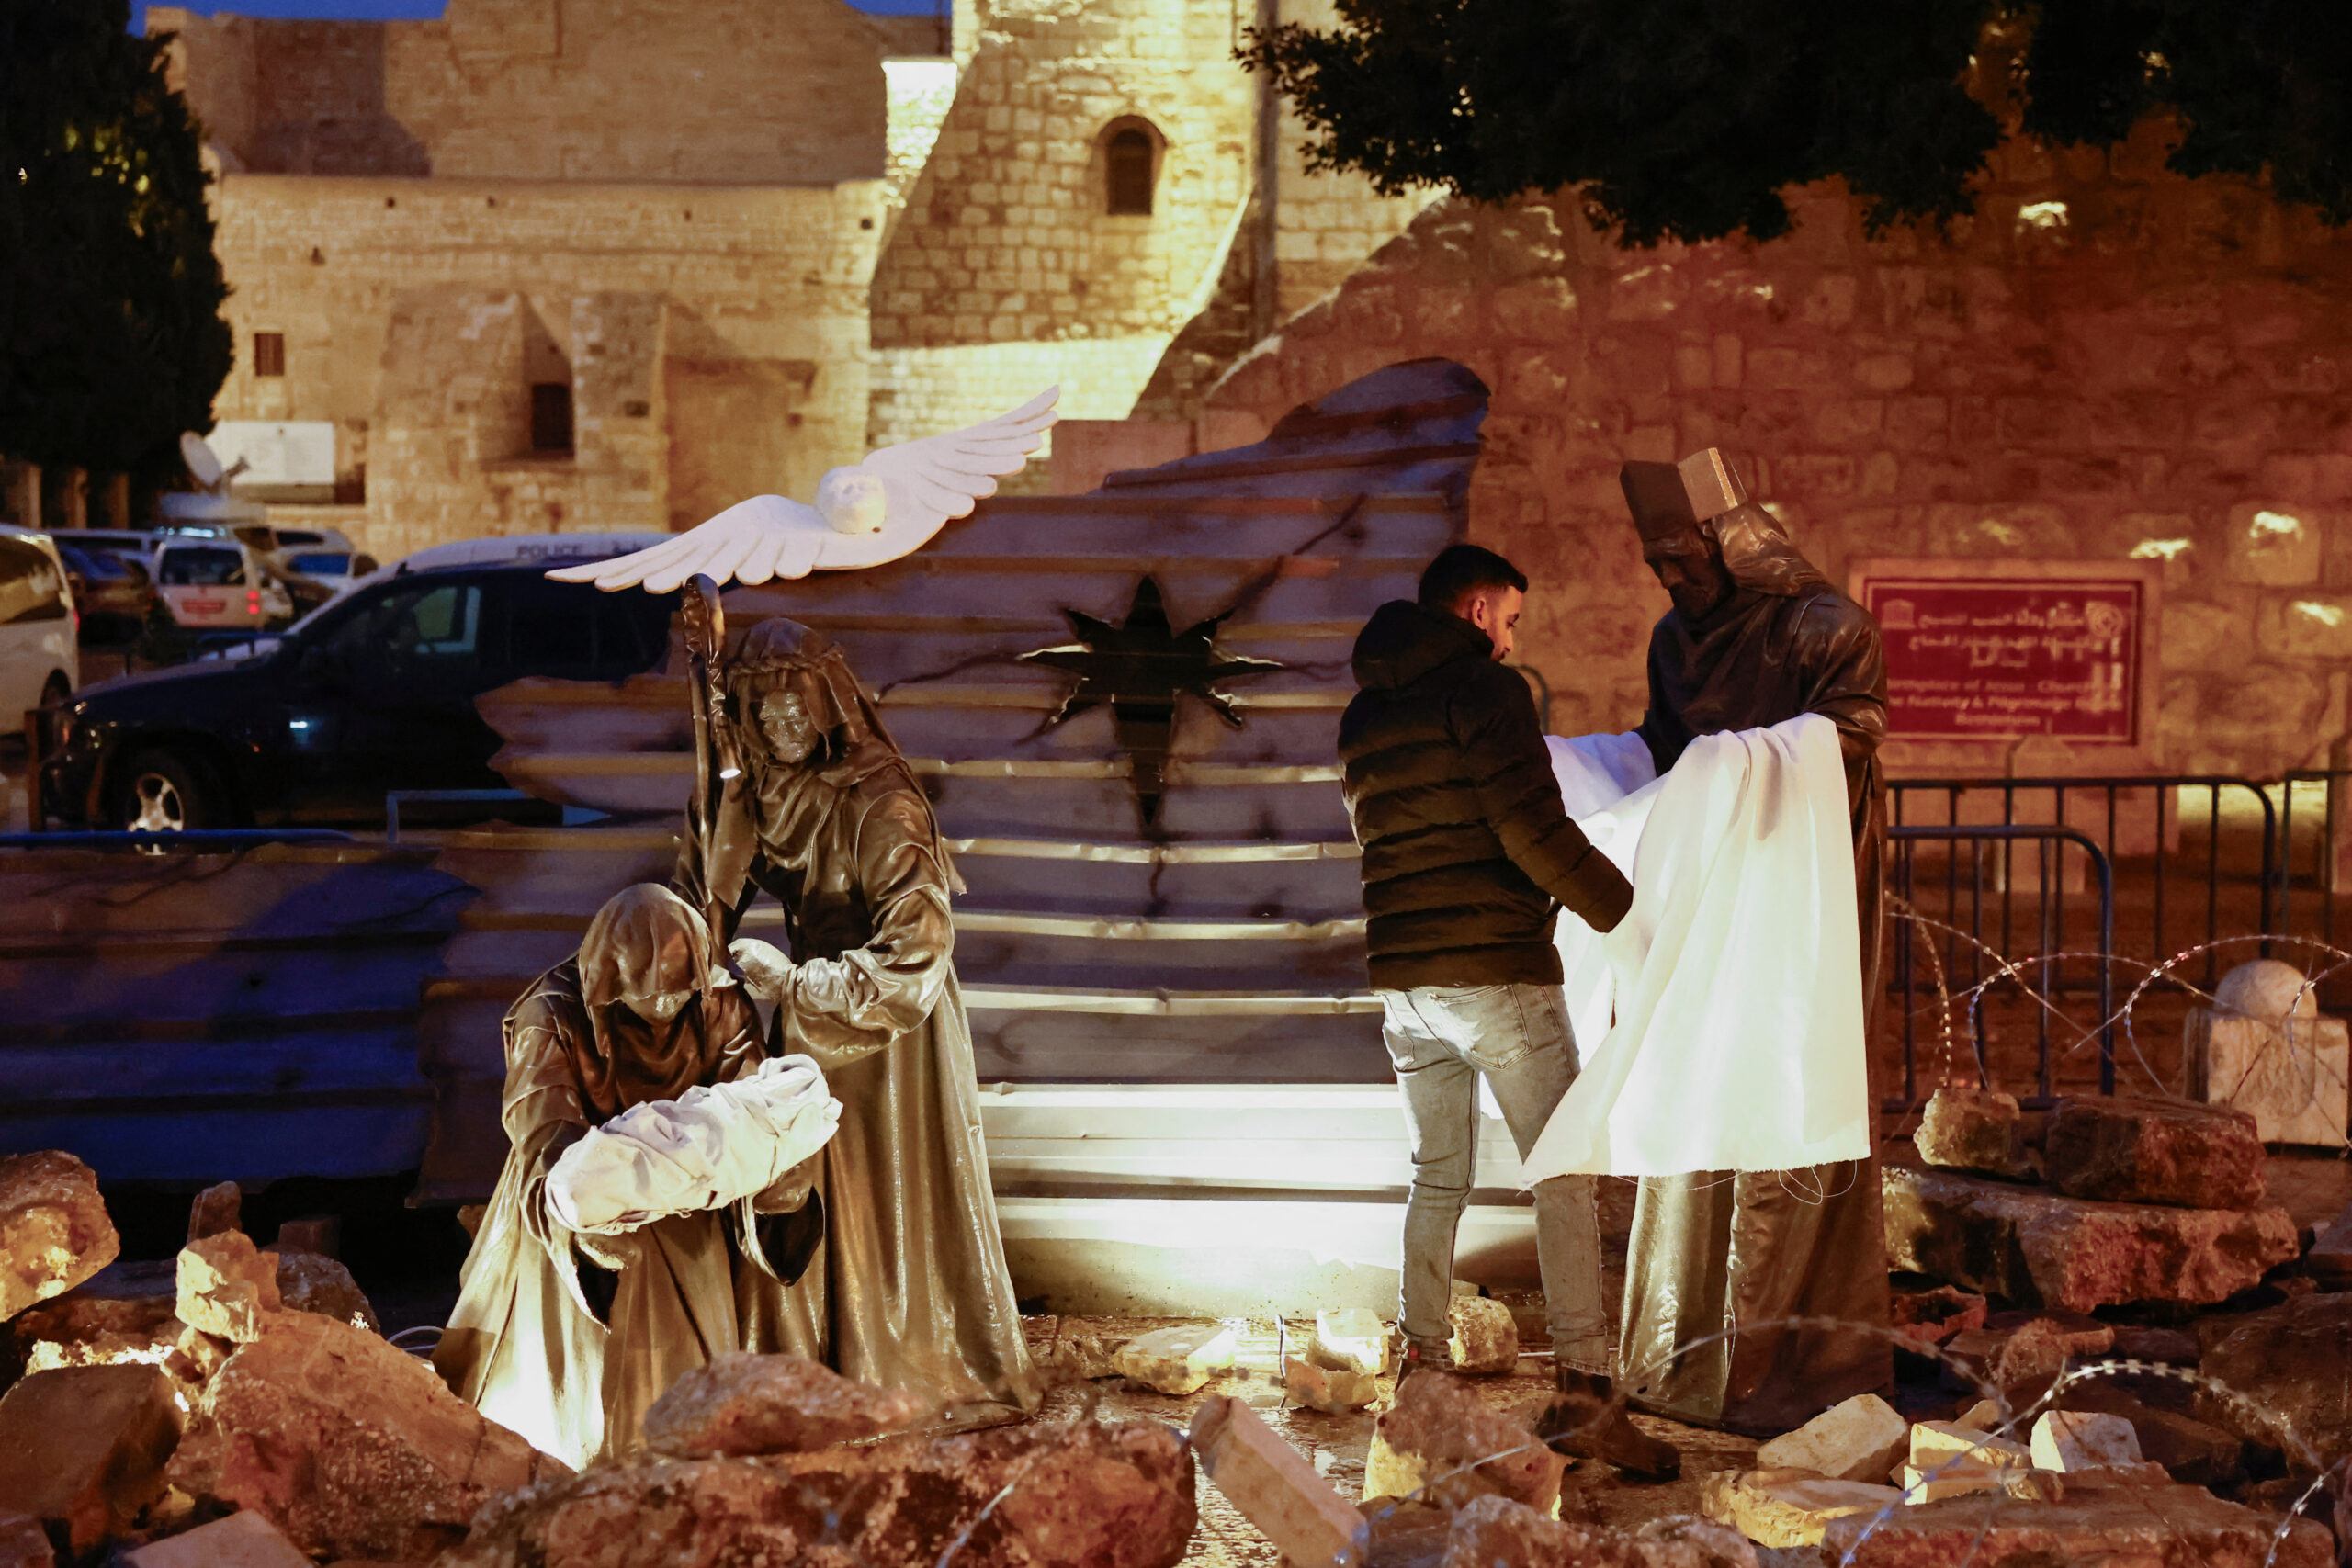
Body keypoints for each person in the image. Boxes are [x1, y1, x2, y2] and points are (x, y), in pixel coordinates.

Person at [1338, 543, 1678, 1479]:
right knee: (1562, 1174)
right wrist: (1629, 917)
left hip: (1404, 981)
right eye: (1513, 619)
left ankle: (1421, 1375)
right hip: (1494, 972)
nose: (1512, 637)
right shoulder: (1486, 693)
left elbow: (1382, 835)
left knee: (1436, 1174)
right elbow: (1530, 827)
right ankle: (1583, 1398)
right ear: (1481, 608)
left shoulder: (1366, 712)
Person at [674, 612, 1039, 1425]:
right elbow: (711, 886)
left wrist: (800, 980)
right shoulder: (765, 785)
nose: (778, 724)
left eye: (793, 706)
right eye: (759, 710)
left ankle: (903, 1356)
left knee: (885, 1191)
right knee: (805, 1184)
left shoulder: (883, 803)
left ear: (829, 701)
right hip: (809, 1014)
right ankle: (814, 1363)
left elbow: (916, 956)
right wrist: (722, 799)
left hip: (886, 1030)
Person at [1614, 452, 1893, 1435]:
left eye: (1682, 555)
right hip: (1707, 900)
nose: (1668, 577)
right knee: (1695, 1096)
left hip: (1800, 898)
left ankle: (1793, 1353)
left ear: (1731, 540)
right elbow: (1660, 747)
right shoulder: (1671, 639)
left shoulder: (1826, 627)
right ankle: (1681, 1344)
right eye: (1654, 560)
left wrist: (1736, 763)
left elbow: (1853, 732)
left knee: (1785, 1095)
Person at [435, 883, 822, 1468]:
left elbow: (750, 1093)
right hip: (583, 1201)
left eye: (679, 992)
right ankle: (578, 1448)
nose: (668, 1008)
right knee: (589, 1372)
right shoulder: (550, 1014)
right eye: (649, 994)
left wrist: (773, 1171)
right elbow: (542, 1130)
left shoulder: (716, 1000)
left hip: (688, 1200)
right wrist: (578, 1220)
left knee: (697, 1382)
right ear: (609, 980)